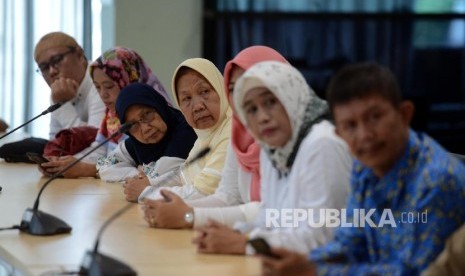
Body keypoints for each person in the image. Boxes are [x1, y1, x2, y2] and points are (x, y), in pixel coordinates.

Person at [259, 62, 465, 276]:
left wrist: (315, 270)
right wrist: (298, 263)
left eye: (375, 117)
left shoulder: (437, 181)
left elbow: (414, 272)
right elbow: (349, 242)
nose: (365, 135)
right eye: (350, 126)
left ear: (405, 114)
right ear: (340, 135)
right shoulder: (364, 167)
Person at [190, 61, 351, 255]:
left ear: (292, 96)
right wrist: (231, 233)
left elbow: (321, 235)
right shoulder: (273, 148)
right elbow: (270, 218)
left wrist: (244, 244)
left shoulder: (322, 143)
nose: (263, 117)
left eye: (270, 102)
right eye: (252, 110)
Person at [139, 46, 289, 230]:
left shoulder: (313, 143)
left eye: (204, 92)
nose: (198, 106)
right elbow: (228, 196)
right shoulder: (241, 134)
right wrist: (177, 210)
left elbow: (286, 216)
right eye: (235, 90)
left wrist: (187, 216)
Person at [39, 46, 171, 178]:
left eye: (109, 86)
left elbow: (156, 172)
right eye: (97, 87)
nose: (103, 94)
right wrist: (69, 163)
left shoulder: (156, 117)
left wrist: (89, 169)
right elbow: (103, 154)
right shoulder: (112, 117)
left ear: (130, 80)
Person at [131, 58, 232, 204]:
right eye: (187, 98)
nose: (197, 106)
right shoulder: (204, 136)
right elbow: (184, 175)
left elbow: (203, 193)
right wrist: (150, 183)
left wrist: (146, 191)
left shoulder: (232, 132)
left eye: (204, 91)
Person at [0, 32, 105, 162]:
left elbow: (100, 149)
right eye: (44, 68)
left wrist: (63, 106)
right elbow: (56, 143)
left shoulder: (102, 83)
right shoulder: (59, 91)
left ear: (79, 54)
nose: (52, 72)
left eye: (56, 61)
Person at [96, 82, 197, 186]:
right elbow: (103, 164)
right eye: (133, 124)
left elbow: (158, 175)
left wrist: (144, 172)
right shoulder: (136, 143)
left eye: (147, 114)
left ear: (159, 106)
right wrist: (136, 173)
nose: (145, 129)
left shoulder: (187, 130)